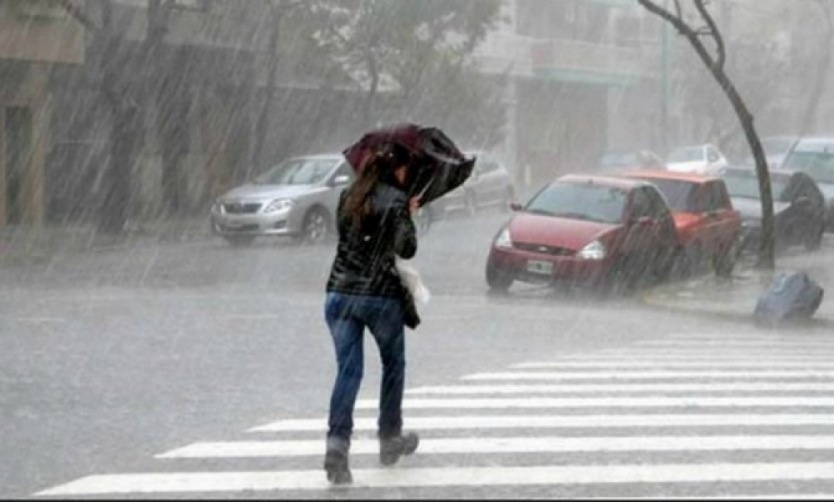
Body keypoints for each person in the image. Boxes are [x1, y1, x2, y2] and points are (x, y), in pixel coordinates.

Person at [322, 142, 421, 484]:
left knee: (348, 372)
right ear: (398, 170)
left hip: (339, 294)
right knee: (393, 365)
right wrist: (408, 213)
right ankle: (389, 439)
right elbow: (406, 247)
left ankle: (336, 447)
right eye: (407, 170)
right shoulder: (396, 200)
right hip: (379, 297)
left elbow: (350, 239)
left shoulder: (347, 196)